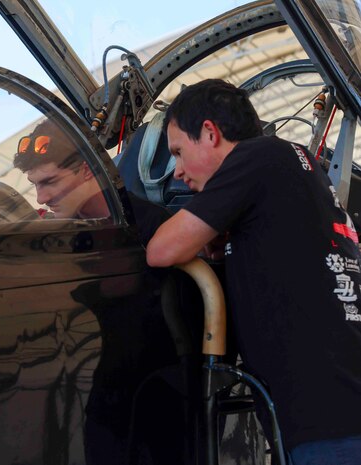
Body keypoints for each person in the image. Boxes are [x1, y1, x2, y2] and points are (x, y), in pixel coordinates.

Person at [146, 79, 361, 463]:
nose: (177, 172)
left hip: (330, 421)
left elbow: (161, 250)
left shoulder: (256, 158)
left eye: (179, 152)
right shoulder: (292, 161)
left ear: (210, 133)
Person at [13, 119, 109, 219]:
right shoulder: (50, 230)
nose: (40, 199)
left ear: (88, 169)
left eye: (50, 182)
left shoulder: (127, 188)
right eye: (34, 184)